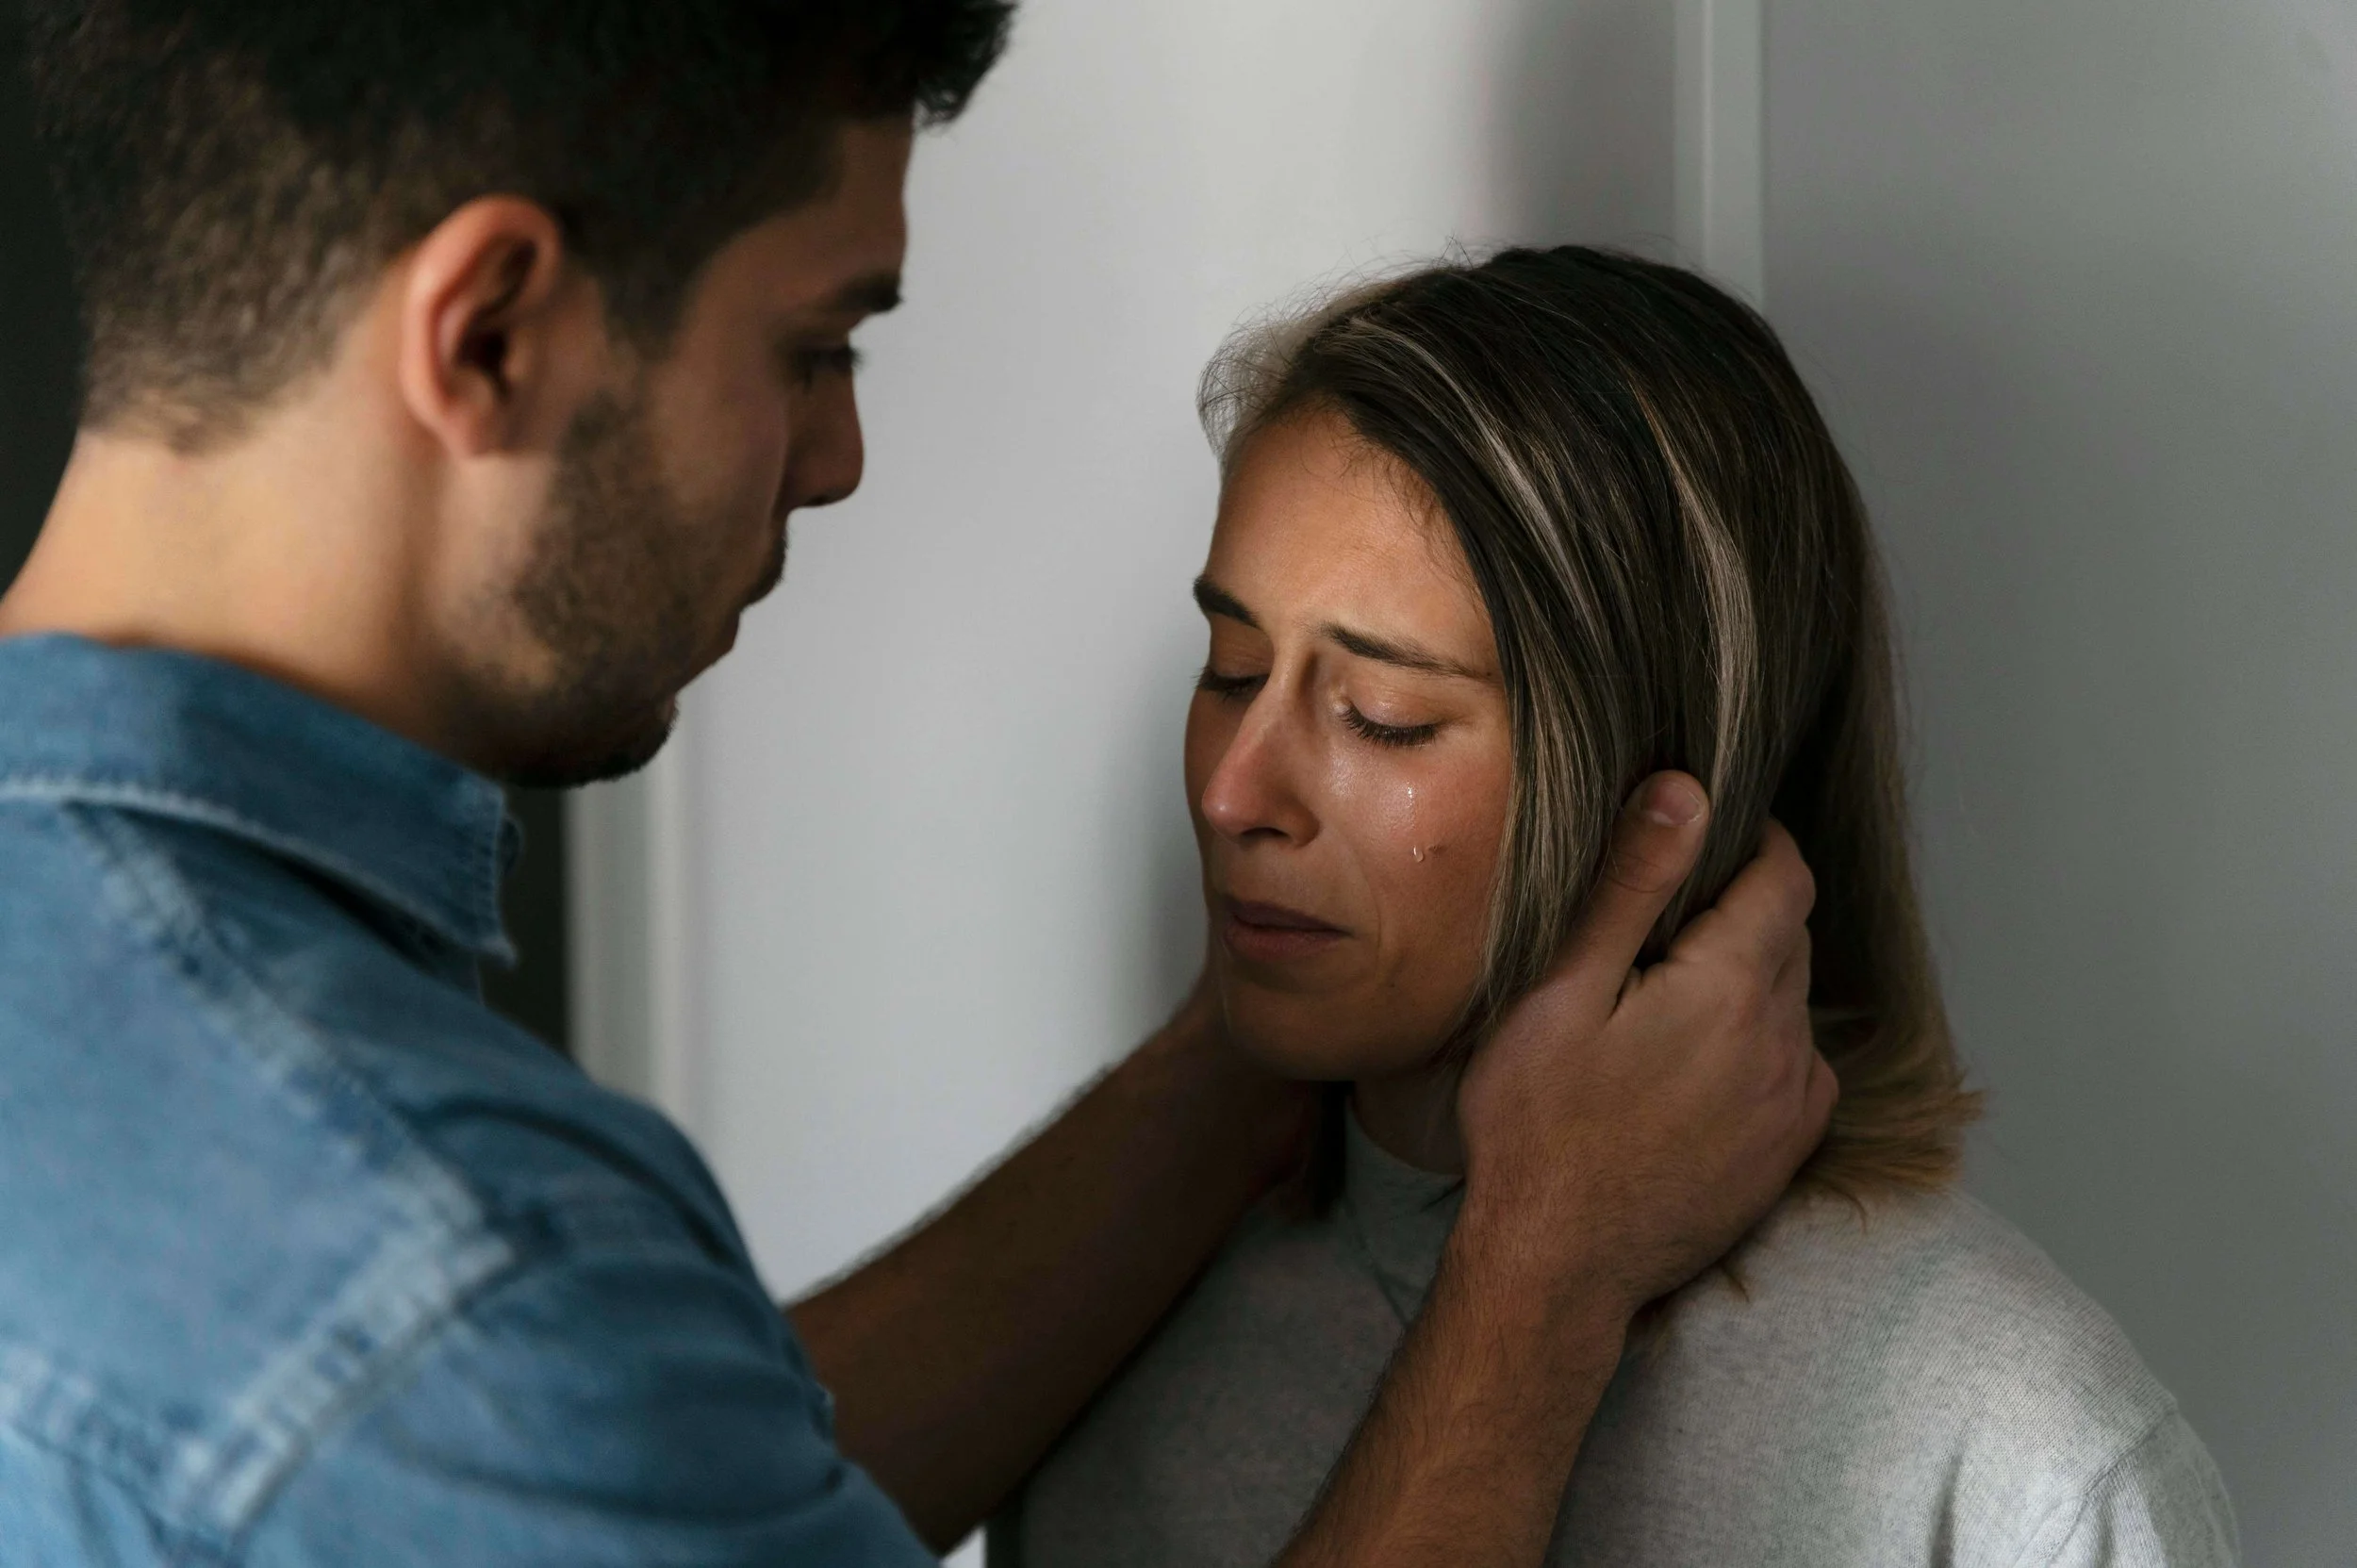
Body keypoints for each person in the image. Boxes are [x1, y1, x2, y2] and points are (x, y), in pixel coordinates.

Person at [0, 6, 1834, 1566]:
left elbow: (686, 1478)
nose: (840, 455)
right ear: (489, 328)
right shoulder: (442, 1290)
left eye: (1380, 711)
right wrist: (1542, 1269)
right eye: (810, 345)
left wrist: (1238, 1057)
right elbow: (530, 1393)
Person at [990, 248, 2243, 1568]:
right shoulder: (1105, 1369)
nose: (1235, 790)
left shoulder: (2020, 1459)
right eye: (1233, 668)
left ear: (1665, 778)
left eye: (1385, 717)